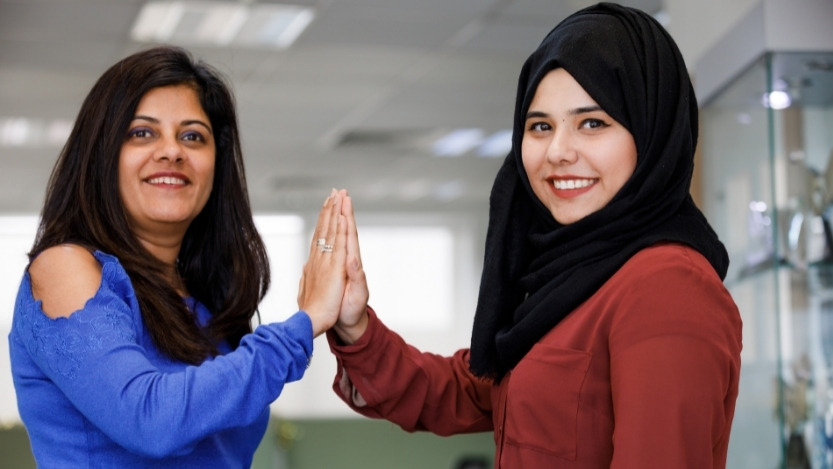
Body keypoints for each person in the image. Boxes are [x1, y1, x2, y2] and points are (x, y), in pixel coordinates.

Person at [321, 3, 743, 468]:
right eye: (540, 126)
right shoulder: (564, 280)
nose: (558, 151)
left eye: (593, 123)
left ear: (651, 132)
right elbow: (466, 390)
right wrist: (354, 324)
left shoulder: (665, 286)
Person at [8, 45, 349, 467]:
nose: (172, 151)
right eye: (142, 132)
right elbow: (149, 420)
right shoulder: (65, 268)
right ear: (101, 155)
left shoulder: (208, 300)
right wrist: (306, 322)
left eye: (192, 136)